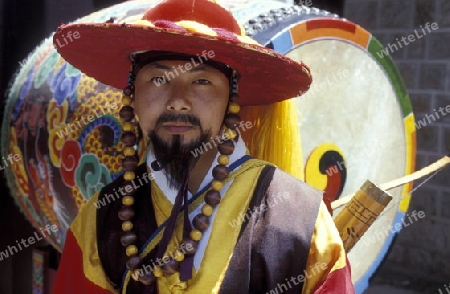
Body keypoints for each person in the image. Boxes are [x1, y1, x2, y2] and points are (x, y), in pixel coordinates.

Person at [52, 0, 355, 293]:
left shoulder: (299, 220)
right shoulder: (101, 221)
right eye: (159, 79)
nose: (178, 101)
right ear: (132, 94)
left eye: (202, 82)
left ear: (231, 99)